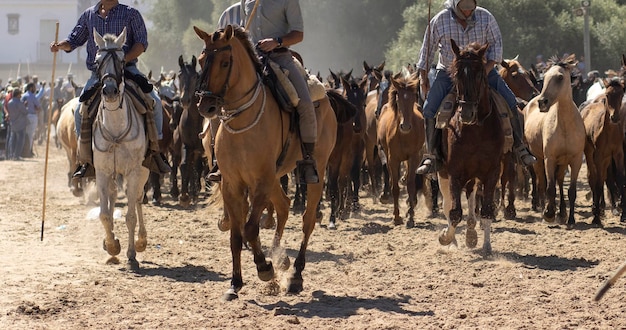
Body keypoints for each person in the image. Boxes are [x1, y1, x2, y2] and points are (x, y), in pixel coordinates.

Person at [49, 0, 170, 179]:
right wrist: (60, 46)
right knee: (79, 112)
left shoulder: (130, 13)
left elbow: (141, 43)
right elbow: (74, 40)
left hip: (127, 70)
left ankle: (155, 153)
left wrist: (122, 60)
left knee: (156, 102)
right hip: (98, 75)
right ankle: (86, 161)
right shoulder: (89, 15)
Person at [415, 0, 536, 175]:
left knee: (511, 102)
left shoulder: (486, 17)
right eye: (463, 9)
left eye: (470, 9)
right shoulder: (439, 20)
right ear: (455, 6)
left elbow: (496, 48)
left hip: (483, 70)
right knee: (429, 109)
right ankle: (432, 156)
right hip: (449, 72)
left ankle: (519, 147)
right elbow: (427, 50)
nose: (467, 13)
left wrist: (483, 72)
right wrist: (423, 77)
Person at [208, 0, 319, 184]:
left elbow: (298, 34)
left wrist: (277, 41)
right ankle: (220, 161)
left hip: (281, 58)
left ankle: (308, 160)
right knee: (218, 101)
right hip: (251, 60)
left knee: (305, 104)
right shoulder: (247, 1)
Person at [21, 82, 43, 157]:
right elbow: (38, 107)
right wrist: (37, 109)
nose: (35, 89)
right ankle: (28, 152)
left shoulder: (23, 95)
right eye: (34, 87)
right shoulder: (32, 96)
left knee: (24, 134)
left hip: (24, 116)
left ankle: (23, 151)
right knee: (30, 136)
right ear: (31, 88)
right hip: (32, 116)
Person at [6, 88, 28, 160]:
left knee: (12, 140)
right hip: (20, 124)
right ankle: (17, 155)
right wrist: (25, 106)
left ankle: (11, 155)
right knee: (20, 141)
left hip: (13, 123)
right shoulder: (19, 103)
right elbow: (25, 112)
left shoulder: (10, 102)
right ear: (18, 94)